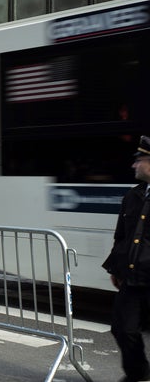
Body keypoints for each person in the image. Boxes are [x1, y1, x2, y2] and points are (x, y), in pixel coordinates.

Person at [103, 135, 150, 382]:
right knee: (123, 329)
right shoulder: (132, 196)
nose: (134, 165)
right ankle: (138, 374)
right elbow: (121, 236)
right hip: (132, 278)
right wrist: (115, 268)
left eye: (139, 160)